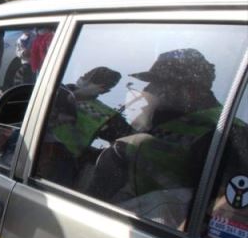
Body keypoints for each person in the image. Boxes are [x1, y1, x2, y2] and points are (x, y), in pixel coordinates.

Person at [87, 48, 222, 228]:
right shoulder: (173, 121)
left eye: (157, 84)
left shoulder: (221, 132)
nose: (147, 90)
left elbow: (224, 210)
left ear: (189, 90)